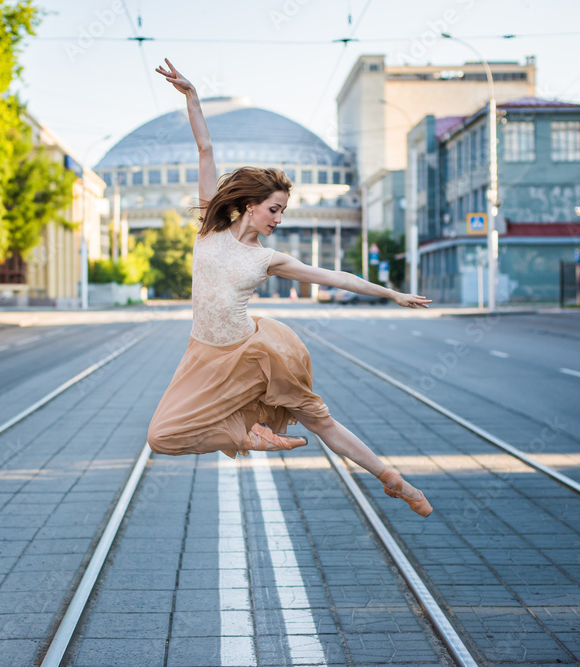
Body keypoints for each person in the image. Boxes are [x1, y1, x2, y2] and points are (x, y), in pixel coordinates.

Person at [146, 59, 433, 517]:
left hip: (254, 353)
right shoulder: (210, 229)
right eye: (274, 209)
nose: (279, 219)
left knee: (320, 420)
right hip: (203, 352)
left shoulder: (269, 259)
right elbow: (205, 150)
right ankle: (249, 436)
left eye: (282, 212)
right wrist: (192, 97)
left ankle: (392, 479)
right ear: (249, 205)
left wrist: (391, 293)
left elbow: (335, 277)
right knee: (161, 436)